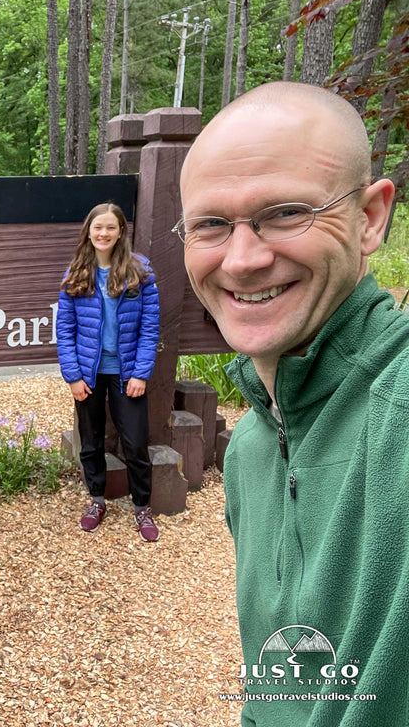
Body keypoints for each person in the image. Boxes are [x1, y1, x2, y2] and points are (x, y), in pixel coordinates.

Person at [177, 81, 409, 725]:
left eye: (286, 213)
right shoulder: (251, 449)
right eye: (212, 225)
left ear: (369, 218)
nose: (244, 258)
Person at [56, 202, 161, 541]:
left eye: (110, 228)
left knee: (134, 442)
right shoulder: (76, 275)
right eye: (98, 227)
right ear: (89, 230)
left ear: (120, 232)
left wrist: (141, 374)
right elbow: (65, 330)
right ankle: (97, 499)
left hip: (126, 373)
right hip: (88, 375)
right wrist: (72, 376)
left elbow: (149, 328)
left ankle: (142, 506)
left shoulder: (140, 273)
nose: (103, 233)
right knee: (91, 442)